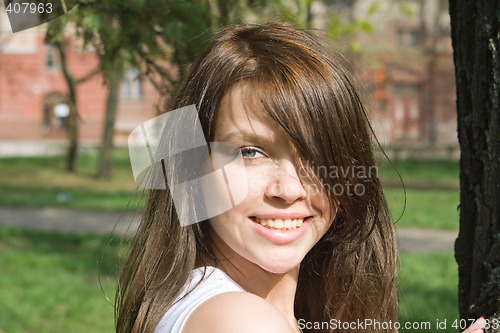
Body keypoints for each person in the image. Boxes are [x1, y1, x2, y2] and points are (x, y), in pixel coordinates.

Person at [115, 22, 486, 333]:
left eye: (316, 155)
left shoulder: (196, 299)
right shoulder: (240, 320)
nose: (288, 189)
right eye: (250, 152)